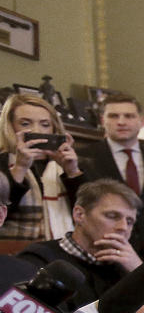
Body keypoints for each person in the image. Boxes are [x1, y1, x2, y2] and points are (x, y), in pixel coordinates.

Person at [18, 179, 144, 313]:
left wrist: (140, 271)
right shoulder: (39, 257)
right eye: (112, 216)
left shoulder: (124, 261)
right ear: (79, 215)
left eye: (129, 221)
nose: (123, 228)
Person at [77, 93, 144, 260]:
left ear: (141, 121)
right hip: (105, 250)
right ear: (103, 121)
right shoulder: (85, 158)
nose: (121, 122)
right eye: (114, 116)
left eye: (129, 116)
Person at [0, 93, 85, 241]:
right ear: (10, 126)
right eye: (25, 124)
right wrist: (20, 167)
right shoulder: (3, 161)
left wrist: (72, 172)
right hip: (13, 252)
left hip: (59, 253)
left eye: (45, 124)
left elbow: (89, 213)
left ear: (54, 128)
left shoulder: (68, 163)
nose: (37, 130)